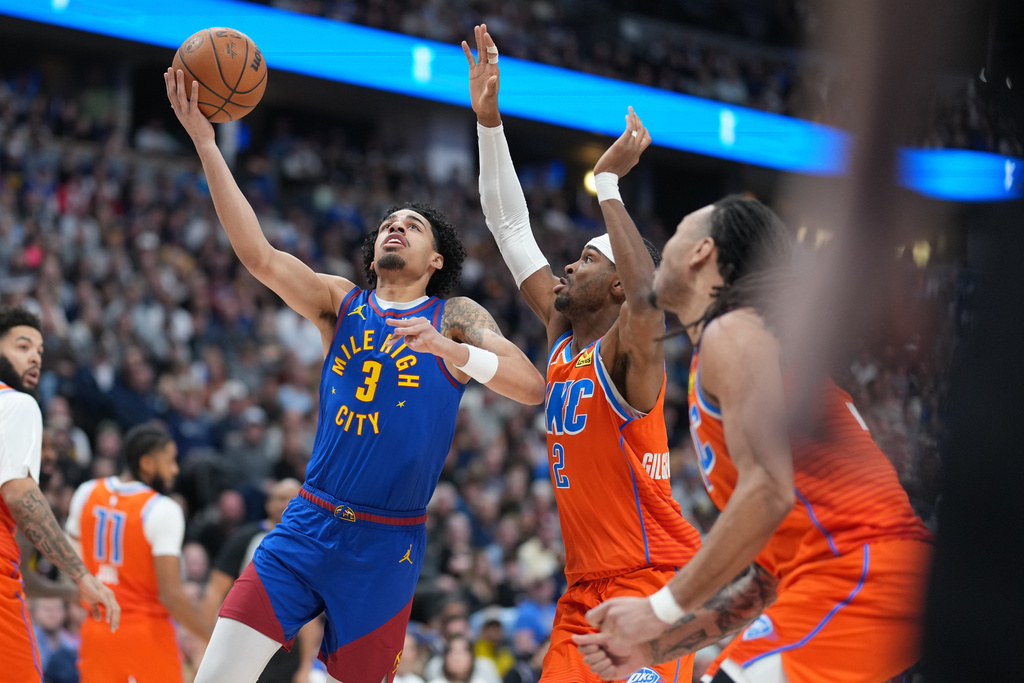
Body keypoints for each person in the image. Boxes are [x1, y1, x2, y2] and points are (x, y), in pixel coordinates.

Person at [164, 65, 546, 683]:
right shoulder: (342, 303)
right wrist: (208, 144)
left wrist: (452, 353)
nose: (395, 227)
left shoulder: (453, 317)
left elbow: (532, 387)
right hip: (307, 523)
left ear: (437, 258)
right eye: (388, 223)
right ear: (373, 251)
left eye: (412, 225)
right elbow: (258, 255)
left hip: (386, 548)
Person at [575, 197, 935, 683]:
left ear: (702, 250)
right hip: (853, 578)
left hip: (863, 569)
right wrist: (654, 647)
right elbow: (766, 580)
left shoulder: (734, 332)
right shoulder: (734, 343)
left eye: (677, 230)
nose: (664, 249)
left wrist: (659, 608)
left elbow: (768, 490)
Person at [465, 24, 702, 683]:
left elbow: (650, 297)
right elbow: (510, 226)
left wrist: (608, 185)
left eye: (586, 259)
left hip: (652, 583)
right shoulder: (563, 337)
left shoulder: (631, 352)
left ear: (617, 284)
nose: (567, 265)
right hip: (582, 591)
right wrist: (489, 123)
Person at [0, 305, 120, 683]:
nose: (35, 356)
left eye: (39, 350)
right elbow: (21, 494)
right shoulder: (16, 403)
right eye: (22, 346)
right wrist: (82, 576)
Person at [65, 422, 212, 682]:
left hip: (95, 632)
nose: (175, 470)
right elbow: (171, 594)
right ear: (147, 463)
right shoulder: (163, 508)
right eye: (170, 461)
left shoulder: (86, 492)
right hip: (145, 634)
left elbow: (69, 563)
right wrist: (208, 636)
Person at [200, 478, 320, 683]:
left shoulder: (309, 546)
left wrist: (305, 666)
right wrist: (203, 645)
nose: (286, 504)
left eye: (292, 499)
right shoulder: (246, 538)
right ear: (268, 504)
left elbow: (310, 618)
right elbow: (214, 592)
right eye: (280, 498)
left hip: (287, 651)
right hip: (245, 637)